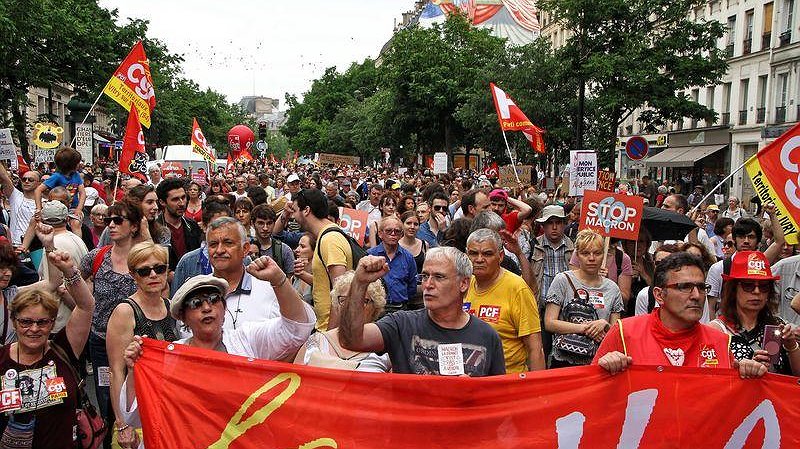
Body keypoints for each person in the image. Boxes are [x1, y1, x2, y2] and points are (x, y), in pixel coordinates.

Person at [119, 260, 316, 439]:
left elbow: (297, 329)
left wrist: (279, 280)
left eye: (214, 299)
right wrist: (134, 370)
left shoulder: (246, 340)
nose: (207, 307)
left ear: (224, 309)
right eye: (196, 303)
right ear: (183, 317)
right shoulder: (169, 357)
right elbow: (135, 416)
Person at [593, 252, 769, 380]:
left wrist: (747, 376)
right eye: (685, 287)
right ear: (659, 295)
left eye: (701, 287)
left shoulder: (720, 342)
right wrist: (604, 369)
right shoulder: (625, 333)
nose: (696, 296)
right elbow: (590, 390)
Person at [339, 249, 505, 376]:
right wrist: (359, 283)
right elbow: (351, 340)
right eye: (425, 276)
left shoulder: (487, 336)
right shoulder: (401, 324)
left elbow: (497, 400)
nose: (428, 284)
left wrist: (473, 392)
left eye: (439, 277)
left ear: (463, 284)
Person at [0, 249, 94, 449]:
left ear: (52, 324)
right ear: (14, 322)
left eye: (42, 322)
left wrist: (69, 271)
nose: (34, 329)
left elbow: (86, 306)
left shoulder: (64, 349)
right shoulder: (1, 358)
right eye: (25, 322)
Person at [105, 242, 177, 449]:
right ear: (133, 275)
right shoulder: (125, 311)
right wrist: (121, 424)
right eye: (145, 271)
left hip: (168, 409)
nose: (153, 275)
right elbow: (116, 372)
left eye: (160, 268)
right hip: (137, 410)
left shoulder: (172, 307)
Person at [79, 200, 141, 440]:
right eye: (108, 221)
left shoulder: (144, 258)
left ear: (134, 226)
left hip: (136, 344)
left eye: (118, 220)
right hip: (101, 342)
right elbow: (75, 283)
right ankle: (108, 439)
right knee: (106, 396)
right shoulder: (97, 256)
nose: (111, 225)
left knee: (134, 401)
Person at [464, 229, 545, 372]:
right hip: (470, 383)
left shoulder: (517, 289)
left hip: (507, 383)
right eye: (473, 253)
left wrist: (538, 391)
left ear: (500, 256)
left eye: (487, 254)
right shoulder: (462, 285)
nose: (479, 259)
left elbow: (535, 349)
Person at [709, 251, 800, 375]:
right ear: (733, 289)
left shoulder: (779, 325)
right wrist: (741, 370)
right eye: (748, 285)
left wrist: (791, 345)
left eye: (763, 286)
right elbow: (712, 378)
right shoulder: (715, 330)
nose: (757, 291)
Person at [545, 229, 623, 367]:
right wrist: (586, 328)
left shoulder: (613, 288)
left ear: (604, 255)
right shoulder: (562, 280)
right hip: (564, 361)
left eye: (597, 253)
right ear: (577, 255)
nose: (591, 258)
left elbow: (616, 332)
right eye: (585, 253)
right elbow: (550, 323)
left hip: (599, 362)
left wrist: (605, 325)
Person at [294, 271, 390, 372]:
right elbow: (296, 381)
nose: (351, 307)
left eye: (361, 301)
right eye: (344, 300)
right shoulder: (316, 342)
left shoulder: (386, 349)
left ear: (375, 307)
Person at [293, 189, 355, 331]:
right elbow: (326, 282)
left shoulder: (329, 239)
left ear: (306, 210)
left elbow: (342, 292)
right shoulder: (326, 236)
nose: (293, 216)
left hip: (331, 329)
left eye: (296, 210)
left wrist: (330, 335)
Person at [204, 217, 280, 329]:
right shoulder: (196, 291)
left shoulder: (269, 291)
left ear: (245, 249)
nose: (219, 250)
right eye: (213, 244)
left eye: (228, 243)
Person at [707, 208, 784, 313]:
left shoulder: (759, 264)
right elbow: (710, 307)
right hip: (726, 325)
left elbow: (779, 241)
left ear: (758, 241)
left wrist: (772, 214)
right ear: (734, 239)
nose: (746, 241)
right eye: (741, 237)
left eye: (751, 237)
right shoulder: (719, 268)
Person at [367, 216, 418, 314]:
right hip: (377, 309)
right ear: (380, 234)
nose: (393, 234)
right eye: (389, 231)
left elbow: (412, 287)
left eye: (397, 231)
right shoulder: (370, 255)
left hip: (400, 309)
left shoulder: (408, 257)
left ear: (401, 235)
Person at [156, 179, 202, 271]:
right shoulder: (154, 229)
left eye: (183, 197)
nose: (181, 203)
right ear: (162, 202)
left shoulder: (192, 225)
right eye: (175, 199)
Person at [34, 147, 86, 220]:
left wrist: (79, 208)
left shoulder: (76, 175)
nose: (79, 164)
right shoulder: (56, 176)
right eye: (77, 162)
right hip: (57, 210)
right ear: (71, 164)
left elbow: (82, 192)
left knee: (75, 223)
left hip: (73, 209)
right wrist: (39, 208)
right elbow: (38, 190)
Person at [0, 163, 40, 246]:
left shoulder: (44, 203)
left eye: (30, 180)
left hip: (36, 247)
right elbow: (3, 176)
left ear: (38, 184)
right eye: (24, 179)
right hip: (15, 245)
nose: (26, 181)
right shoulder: (15, 195)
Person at [251, 204, 295, 276]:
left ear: (274, 224)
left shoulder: (284, 250)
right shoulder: (245, 249)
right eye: (261, 223)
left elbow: (291, 280)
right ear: (252, 224)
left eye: (269, 223)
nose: (265, 228)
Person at [398, 210, 427, 274]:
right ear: (402, 225)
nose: (412, 227)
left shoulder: (424, 245)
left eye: (416, 224)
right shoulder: (395, 245)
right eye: (408, 223)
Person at [291, 232, 316, 305]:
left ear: (314, 251)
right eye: (298, 246)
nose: (296, 250)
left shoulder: (320, 277)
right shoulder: (295, 277)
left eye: (302, 246)